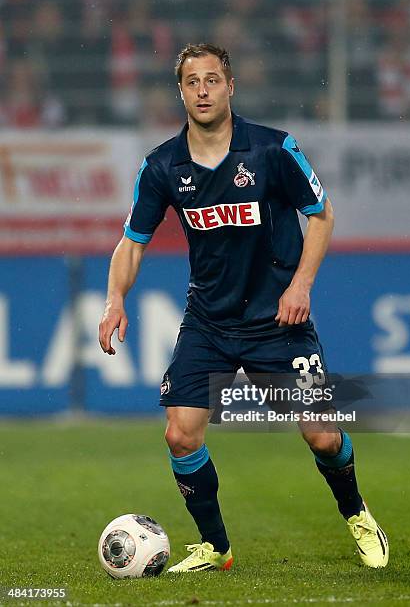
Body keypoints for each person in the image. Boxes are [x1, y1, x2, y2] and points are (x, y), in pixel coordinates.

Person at [99, 43, 389, 572]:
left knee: (323, 436)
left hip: (278, 321)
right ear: (181, 91)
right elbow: (133, 241)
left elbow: (321, 216)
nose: (203, 90)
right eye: (192, 81)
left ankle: (358, 513)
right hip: (209, 320)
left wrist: (300, 286)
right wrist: (115, 298)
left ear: (231, 87)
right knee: (180, 432)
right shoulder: (163, 165)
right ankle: (217, 546)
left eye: (213, 80)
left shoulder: (273, 150)